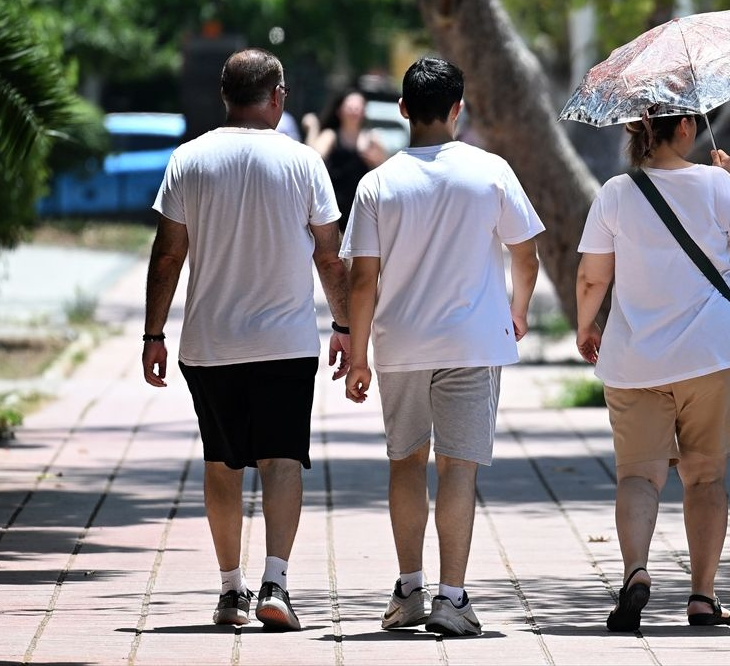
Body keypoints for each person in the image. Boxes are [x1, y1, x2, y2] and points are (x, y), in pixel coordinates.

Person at [141, 48, 351, 632]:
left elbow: (168, 253)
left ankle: (231, 591)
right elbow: (330, 257)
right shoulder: (304, 161)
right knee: (282, 460)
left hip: (209, 344)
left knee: (221, 463)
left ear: (224, 97)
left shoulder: (188, 159)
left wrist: (154, 333)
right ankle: (276, 584)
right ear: (278, 97)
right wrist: (346, 326)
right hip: (285, 341)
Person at [341, 57, 543, 637]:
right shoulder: (490, 171)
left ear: (403, 110)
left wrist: (357, 356)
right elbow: (525, 252)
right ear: (459, 108)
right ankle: (452, 600)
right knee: (459, 467)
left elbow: (362, 278)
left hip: (399, 342)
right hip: (473, 342)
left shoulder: (377, 183)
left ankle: (408, 590)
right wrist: (518, 310)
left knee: (405, 461)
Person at [575, 112, 730, 632]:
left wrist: (586, 326)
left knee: (638, 475)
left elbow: (593, 276)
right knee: (705, 476)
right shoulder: (718, 185)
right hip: (713, 356)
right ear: (685, 127)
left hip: (635, 359)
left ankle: (636, 572)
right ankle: (703, 597)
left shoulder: (615, 192)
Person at [304, 89, 389, 230]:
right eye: (350, 106)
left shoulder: (372, 139)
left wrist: (376, 161)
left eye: (358, 107)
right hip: (333, 213)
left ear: (364, 111)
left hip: (362, 213)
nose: (354, 110)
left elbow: (387, 174)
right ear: (339, 111)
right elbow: (311, 159)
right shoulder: (331, 136)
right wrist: (313, 128)